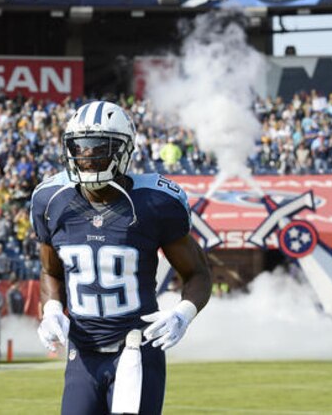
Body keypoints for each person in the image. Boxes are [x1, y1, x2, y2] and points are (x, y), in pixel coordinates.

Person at [30, 101, 211, 415]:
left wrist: (182, 313)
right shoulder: (50, 201)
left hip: (135, 348)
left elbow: (197, 272)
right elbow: (51, 271)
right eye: (79, 146)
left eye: (99, 146)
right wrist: (51, 308)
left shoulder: (155, 202)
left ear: (124, 150)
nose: (86, 155)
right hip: (82, 354)